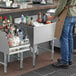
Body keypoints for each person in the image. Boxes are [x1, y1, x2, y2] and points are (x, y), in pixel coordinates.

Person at [51, 0, 76, 68]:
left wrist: (54, 16)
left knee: (63, 38)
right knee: (69, 37)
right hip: (74, 14)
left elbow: (61, 5)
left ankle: (64, 61)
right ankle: (69, 59)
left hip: (67, 15)